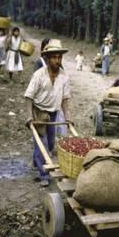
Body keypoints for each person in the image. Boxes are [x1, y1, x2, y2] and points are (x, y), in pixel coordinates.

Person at [24, 39, 72, 187]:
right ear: (48, 58)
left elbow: (65, 98)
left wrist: (68, 117)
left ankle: (36, 160)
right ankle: (43, 174)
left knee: (51, 144)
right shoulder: (39, 75)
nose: (58, 60)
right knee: (42, 144)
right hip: (39, 112)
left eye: (60, 57)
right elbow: (29, 96)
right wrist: (29, 116)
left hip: (53, 113)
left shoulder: (63, 76)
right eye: (54, 57)